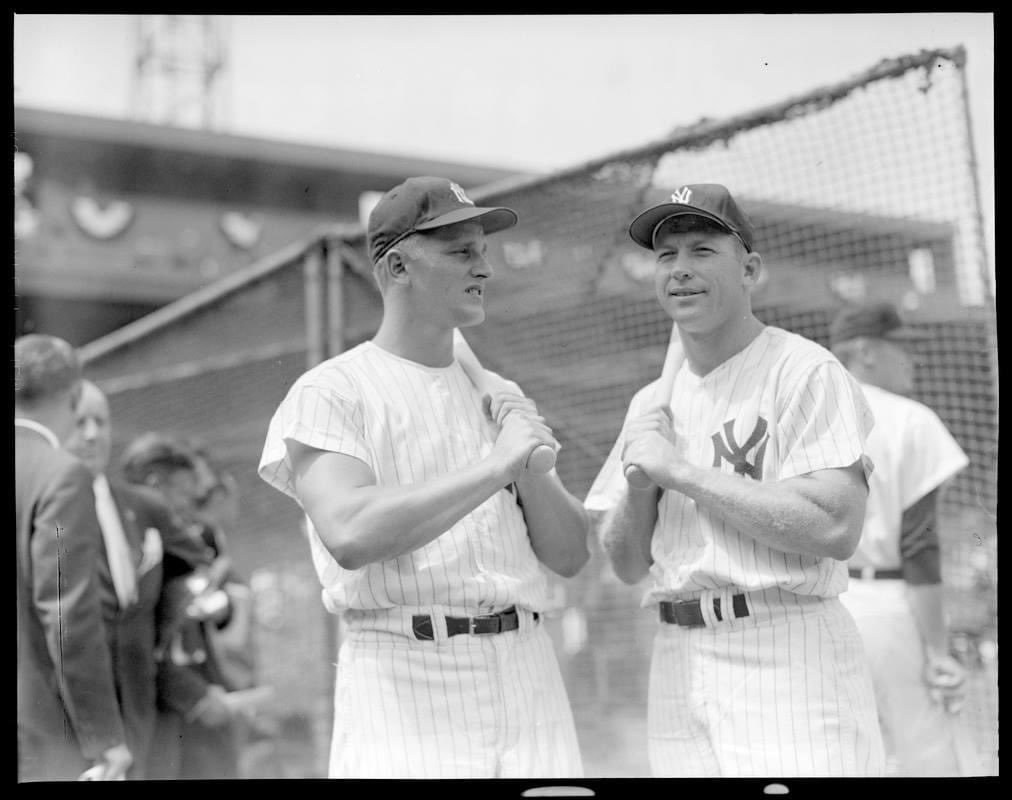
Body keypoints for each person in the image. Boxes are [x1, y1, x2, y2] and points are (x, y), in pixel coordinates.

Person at [259, 176, 590, 778]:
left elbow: (569, 553)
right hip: (407, 676)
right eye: (461, 251)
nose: (483, 268)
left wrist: (524, 458)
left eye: (483, 252)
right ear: (398, 266)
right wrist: (496, 465)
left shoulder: (495, 394)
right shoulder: (333, 391)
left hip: (528, 671)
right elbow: (350, 531)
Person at [585, 184, 885, 777]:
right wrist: (642, 486)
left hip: (784, 647)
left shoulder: (803, 370)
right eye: (666, 255)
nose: (679, 270)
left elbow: (834, 523)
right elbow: (624, 563)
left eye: (701, 251)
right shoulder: (652, 403)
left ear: (749, 268)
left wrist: (682, 473)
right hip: (676, 656)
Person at [829, 301, 974, 776]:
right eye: (902, 348)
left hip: (820, 605)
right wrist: (937, 650)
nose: (914, 359)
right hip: (889, 608)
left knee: (845, 756)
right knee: (927, 756)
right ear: (866, 352)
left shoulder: (811, 418)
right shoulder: (910, 418)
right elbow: (921, 543)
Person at [63, 380, 208, 779]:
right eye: (79, 422)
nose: (92, 434)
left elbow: (193, 565)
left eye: (101, 421)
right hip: (66, 719)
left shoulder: (142, 506)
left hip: (138, 708)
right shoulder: (39, 509)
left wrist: (165, 631)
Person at [15, 335, 132, 781]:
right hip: (39, 733)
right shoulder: (60, 474)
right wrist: (104, 737)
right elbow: (67, 614)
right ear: (75, 394)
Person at [119, 433, 246, 780]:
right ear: (156, 484)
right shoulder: (130, 548)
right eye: (185, 499)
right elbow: (135, 643)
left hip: (188, 706)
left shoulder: (180, 544)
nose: (190, 511)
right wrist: (196, 697)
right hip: (155, 716)